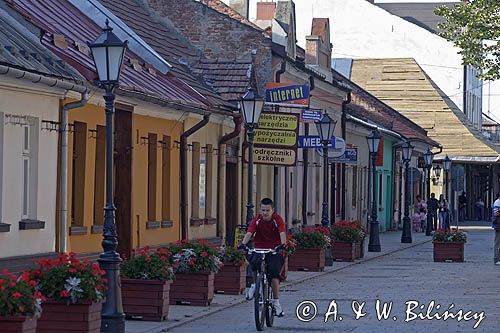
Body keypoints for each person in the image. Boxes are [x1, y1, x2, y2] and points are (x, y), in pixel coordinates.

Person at [238, 197, 286, 316]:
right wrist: (243, 244)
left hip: (274, 249)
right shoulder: (257, 219)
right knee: (253, 263)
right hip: (259, 248)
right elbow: (249, 232)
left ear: (272, 210)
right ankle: (254, 285)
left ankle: (276, 302)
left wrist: (283, 244)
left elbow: (282, 233)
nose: (265, 213)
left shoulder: (277, 219)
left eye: (267, 210)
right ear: (260, 210)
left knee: (274, 275)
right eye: (263, 210)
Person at [492, 193, 500, 264]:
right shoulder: (497, 202)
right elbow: (496, 213)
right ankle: (496, 259)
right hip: (498, 226)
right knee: (497, 242)